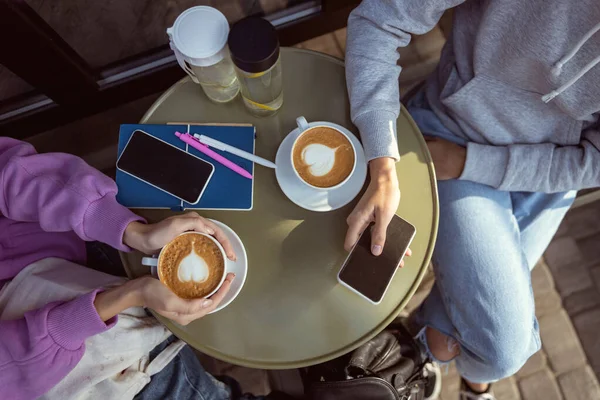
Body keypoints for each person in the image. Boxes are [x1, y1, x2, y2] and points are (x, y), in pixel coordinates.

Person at [344, 1, 600, 399]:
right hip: (450, 134)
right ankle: (465, 375)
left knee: (471, 328)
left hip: (548, 175)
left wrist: (472, 164)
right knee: (501, 352)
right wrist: (382, 160)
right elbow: (379, 18)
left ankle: (441, 356)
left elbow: (595, 161)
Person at [0, 137, 287, 400]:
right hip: (52, 357)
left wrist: (130, 231)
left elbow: (11, 173)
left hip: (54, 235)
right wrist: (130, 295)